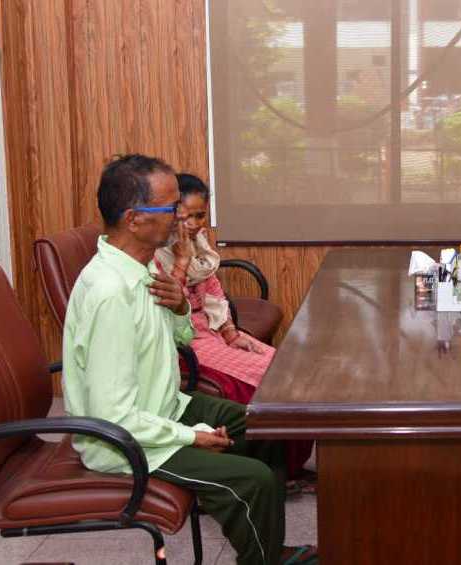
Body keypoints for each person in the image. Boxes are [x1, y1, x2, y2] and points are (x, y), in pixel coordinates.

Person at [61, 154, 317, 565]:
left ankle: (267, 549)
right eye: (170, 208)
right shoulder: (111, 293)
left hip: (163, 406)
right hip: (127, 443)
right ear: (134, 219)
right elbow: (113, 416)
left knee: (265, 424)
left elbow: (180, 338)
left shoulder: (142, 268)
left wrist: (180, 307)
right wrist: (190, 436)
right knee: (252, 480)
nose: (181, 218)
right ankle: (264, 556)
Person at [154, 173, 315, 491]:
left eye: (200, 215)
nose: (194, 225)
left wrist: (230, 332)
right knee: (268, 383)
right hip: (184, 342)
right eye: (185, 217)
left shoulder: (198, 244)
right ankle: (278, 470)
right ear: (170, 214)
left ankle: (291, 466)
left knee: (291, 370)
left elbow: (214, 290)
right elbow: (168, 313)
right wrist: (182, 262)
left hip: (211, 331)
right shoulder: (156, 253)